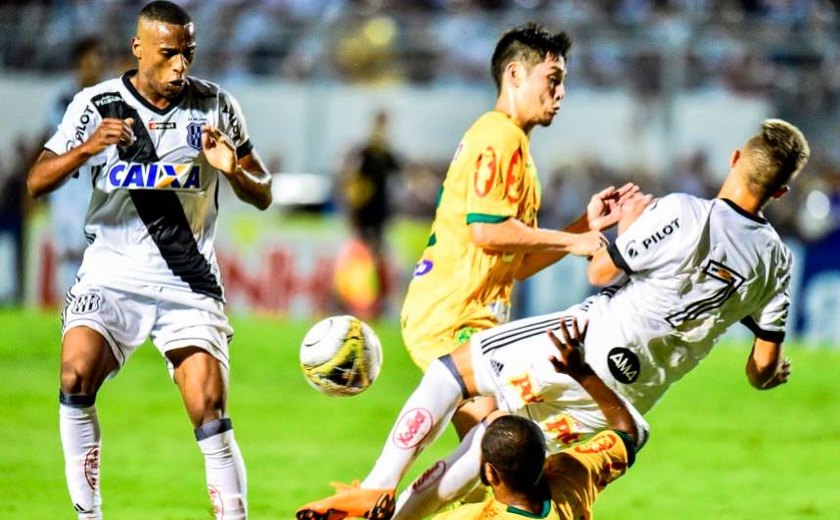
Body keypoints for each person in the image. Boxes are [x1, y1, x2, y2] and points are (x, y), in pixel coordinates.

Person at [296, 118, 807, 519]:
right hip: (629, 396)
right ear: (779, 191)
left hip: (585, 344)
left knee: (451, 371)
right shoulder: (776, 263)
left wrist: (625, 226)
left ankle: (378, 487)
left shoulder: (683, 213)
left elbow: (602, 271)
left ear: (735, 159)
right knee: (495, 440)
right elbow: (762, 368)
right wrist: (773, 372)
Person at [26, 2, 272, 519]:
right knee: (74, 375)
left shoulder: (216, 105)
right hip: (112, 274)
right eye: (169, 54)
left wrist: (233, 171)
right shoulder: (97, 105)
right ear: (139, 49)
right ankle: (88, 516)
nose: (181, 65)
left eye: (188, 53)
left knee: (208, 409)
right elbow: (37, 180)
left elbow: (263, 191)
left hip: (186, 281)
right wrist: (87, 148)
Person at [398, 23, 634, 441]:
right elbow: (487, 232)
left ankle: (390, 497)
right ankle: (383, 497)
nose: (560, 94)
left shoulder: (517, 148)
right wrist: (575, 241)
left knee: (492, 456)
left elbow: (518, 264)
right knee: (500, 447)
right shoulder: (499, 136)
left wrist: (584, 224)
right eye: (553, 80)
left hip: (472, 316)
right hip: (452, 316)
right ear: (514, 75)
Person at [433, 322, 643, 520]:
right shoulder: (572, 474)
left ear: (490, 473)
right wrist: (583, 374)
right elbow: (628, 433)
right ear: (544, 458)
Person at [44, 36, 108, 302]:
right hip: (67, 186)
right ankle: (69, 310)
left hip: (99, 184)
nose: (95, 66)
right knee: (69, 251)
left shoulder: (110, 97)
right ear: (79, 63)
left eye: (98, 60)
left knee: (98, 252)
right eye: (90, 60)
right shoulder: (62, 99)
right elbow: (50, 141)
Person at [338, 109, 401, 319]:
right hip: (363, 216)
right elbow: (351, 183)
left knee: (375, 259)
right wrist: (351, 209)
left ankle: (373, 302)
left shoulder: (386, 155)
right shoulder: (364, 153)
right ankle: (357, 301)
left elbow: (401, 175)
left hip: (379, 216)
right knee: (360, 260)